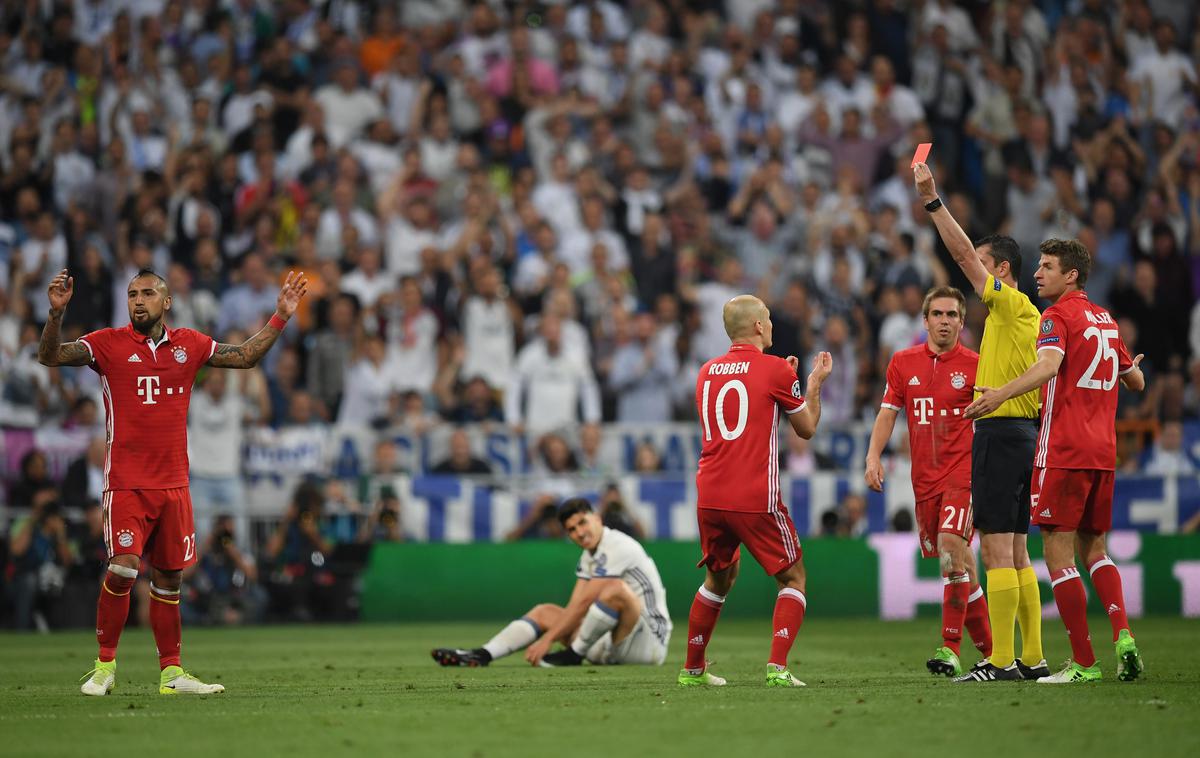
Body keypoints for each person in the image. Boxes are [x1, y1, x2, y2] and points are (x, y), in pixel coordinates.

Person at [37, 265, 307, 696]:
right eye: (132, 294)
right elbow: (50, 356)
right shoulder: (107, 344)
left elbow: (245, 356)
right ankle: (104, 668)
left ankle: (172, 674)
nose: (138, 301)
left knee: (169, 580)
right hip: (126, 483)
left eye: (147, 293)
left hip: (175, 486)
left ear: (167, 302)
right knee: (124, 567)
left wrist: (281, 316)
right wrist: (55, 315)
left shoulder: (191, 345)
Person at [966, 239, 1146, 684]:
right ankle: (1123, 635)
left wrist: (999, 395)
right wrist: (1130, 366)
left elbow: (1047, 366)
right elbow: (1137, 381)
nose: (1038, 274)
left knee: (1058, 555)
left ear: (1072, 276)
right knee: (1096, 550)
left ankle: (1084, 663)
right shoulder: (1106, 320)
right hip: (1104, 454)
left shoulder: (1056, 317)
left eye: (1048, 267)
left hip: (1064, 450)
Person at [914, 161, 1047, 683]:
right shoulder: (1023, 319)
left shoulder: (1010, 305)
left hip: (1000, 433)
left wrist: (932, 201)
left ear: (1003, 272)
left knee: (993, 548)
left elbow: (963, 254)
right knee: (1016, 549)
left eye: (988, 269)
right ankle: (1032, 658)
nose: (976, 280)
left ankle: (996, 660)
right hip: (1024, 432)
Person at [679, 294, 833, 688]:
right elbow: (807, 428)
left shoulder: (706, 371)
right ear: (760, 327)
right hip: (754, 496)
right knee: (794, 578)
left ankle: (692, 670)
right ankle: (777, 667)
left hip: (710, 494)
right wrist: (811, 384)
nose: (772, 325)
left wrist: (785, 381)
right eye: (768, 318)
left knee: (719, 579)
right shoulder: (776, 371)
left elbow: (744, 408)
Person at [865, 286, 993, 677]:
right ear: (924, 321)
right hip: (925, 482)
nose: (944, 321)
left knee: (952, 550)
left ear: (961, 321)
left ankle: (950, 648)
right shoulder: (903, 363)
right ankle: (994, 652)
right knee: (963, 565)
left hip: (963, 475)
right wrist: (873, 456)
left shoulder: (977, 364)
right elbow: (888, 413)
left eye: (952, 315)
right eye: (937, 314)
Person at [432, 498, 671, 668]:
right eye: (572, 529)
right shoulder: (589, 556)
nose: (579, 532)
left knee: (614, 590)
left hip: (649, 643)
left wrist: (547, 640)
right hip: (614, 644)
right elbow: (574, 607)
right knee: (545, 612)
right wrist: (554, 632)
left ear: (597, 518)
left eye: (583, 522)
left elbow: (587, 601)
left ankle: (574, 654)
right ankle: (482, 654)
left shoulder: (619, 545)